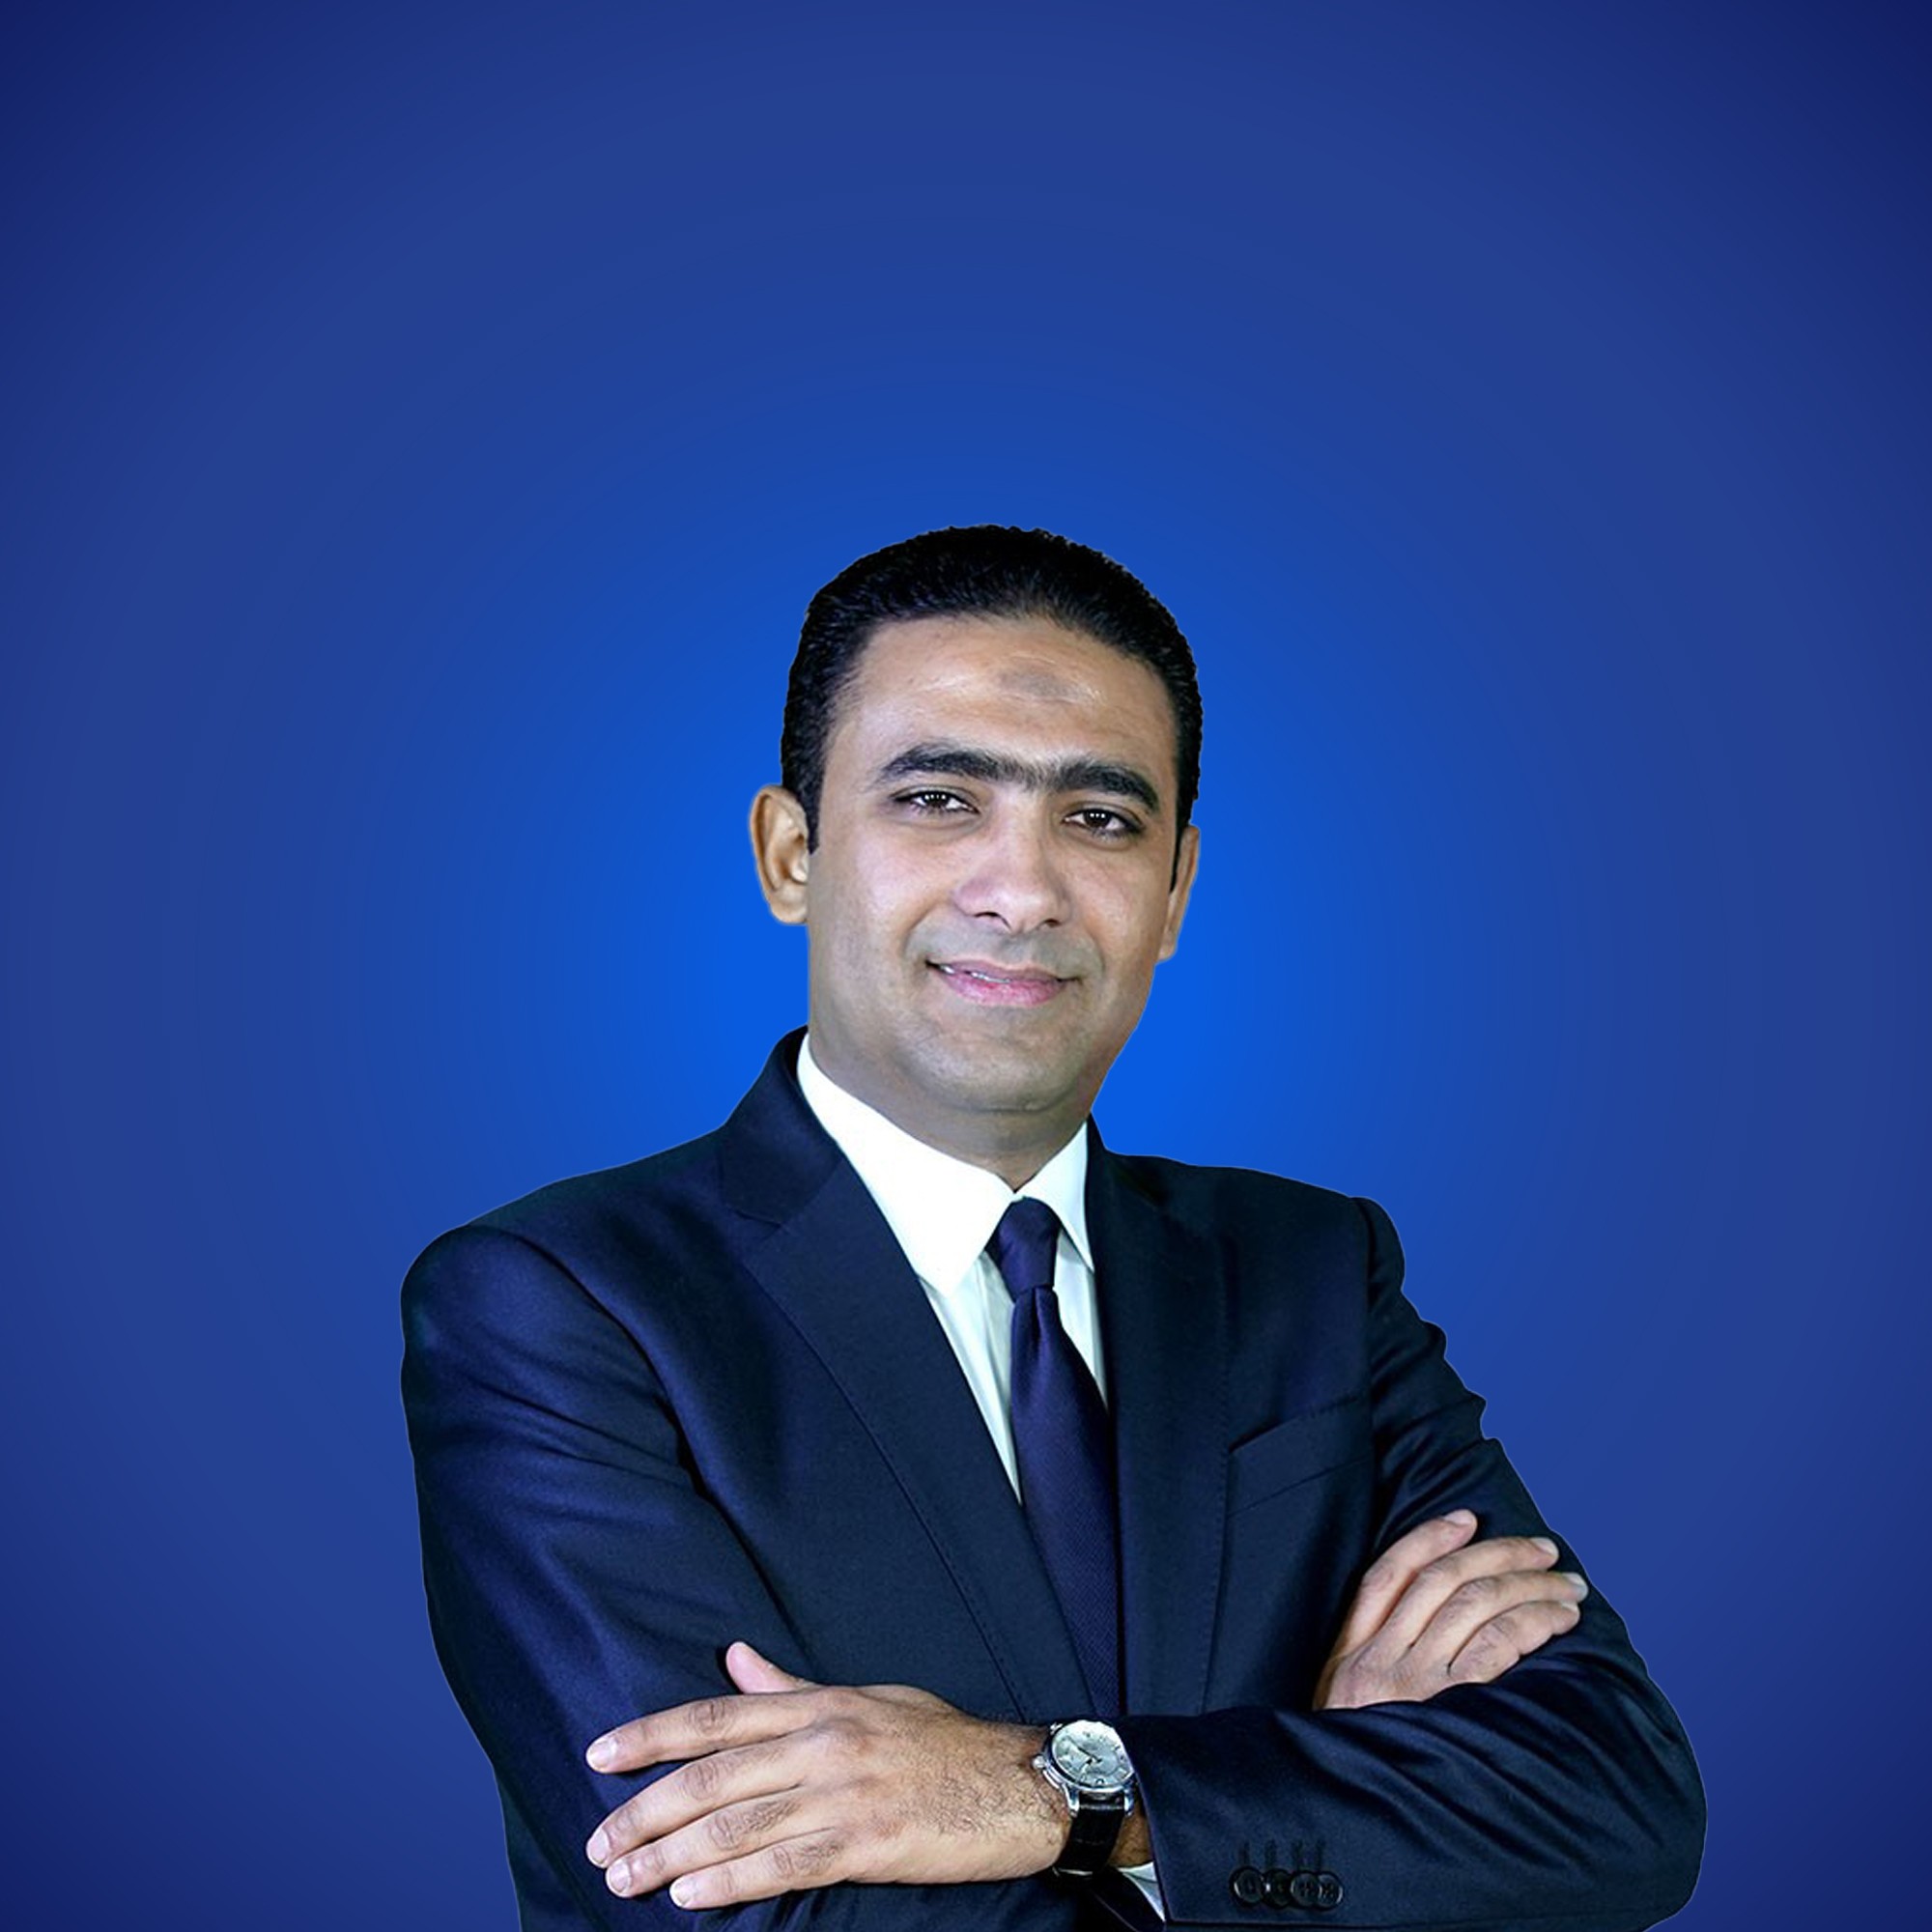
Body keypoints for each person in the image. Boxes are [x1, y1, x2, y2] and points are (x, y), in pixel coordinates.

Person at [401, 526, 1704, 1930]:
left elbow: (1616, 1808)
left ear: (1174, 893)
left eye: (1100, 820)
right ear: (792, 854)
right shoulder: (557, 1306)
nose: (1021, 892)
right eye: (938, 799)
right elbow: (750, 1910)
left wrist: (1046, 1796)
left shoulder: (1312, 1273)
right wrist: (1327, 1803)